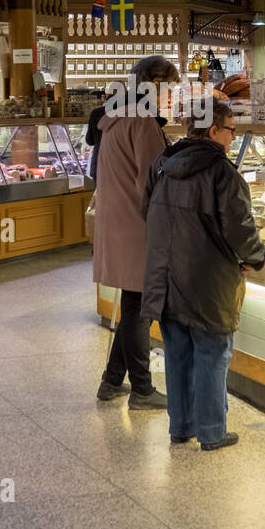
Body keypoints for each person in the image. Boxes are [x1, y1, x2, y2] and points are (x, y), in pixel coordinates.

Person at [141, 98, 265, 450]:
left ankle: (181, 427)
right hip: (208, 280)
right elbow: (240, 229)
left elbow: (145, 211)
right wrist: (255, 258)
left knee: (177, 353)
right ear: (213, 131)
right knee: (212, 353)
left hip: (164, 277)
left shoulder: (162, 165)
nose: (233, 138)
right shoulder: (223, 173)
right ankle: (212, 432)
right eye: (231, 130)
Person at [93, 55, 182, 409]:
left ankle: (112, 381)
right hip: (137, 225)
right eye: (169, 87)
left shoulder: (116, 117)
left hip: (117, 221)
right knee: (140, 309)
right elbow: (153, 180)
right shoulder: (143, 122)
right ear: (154, 86)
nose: (171, 95)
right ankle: (143, 390)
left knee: (133, 304)